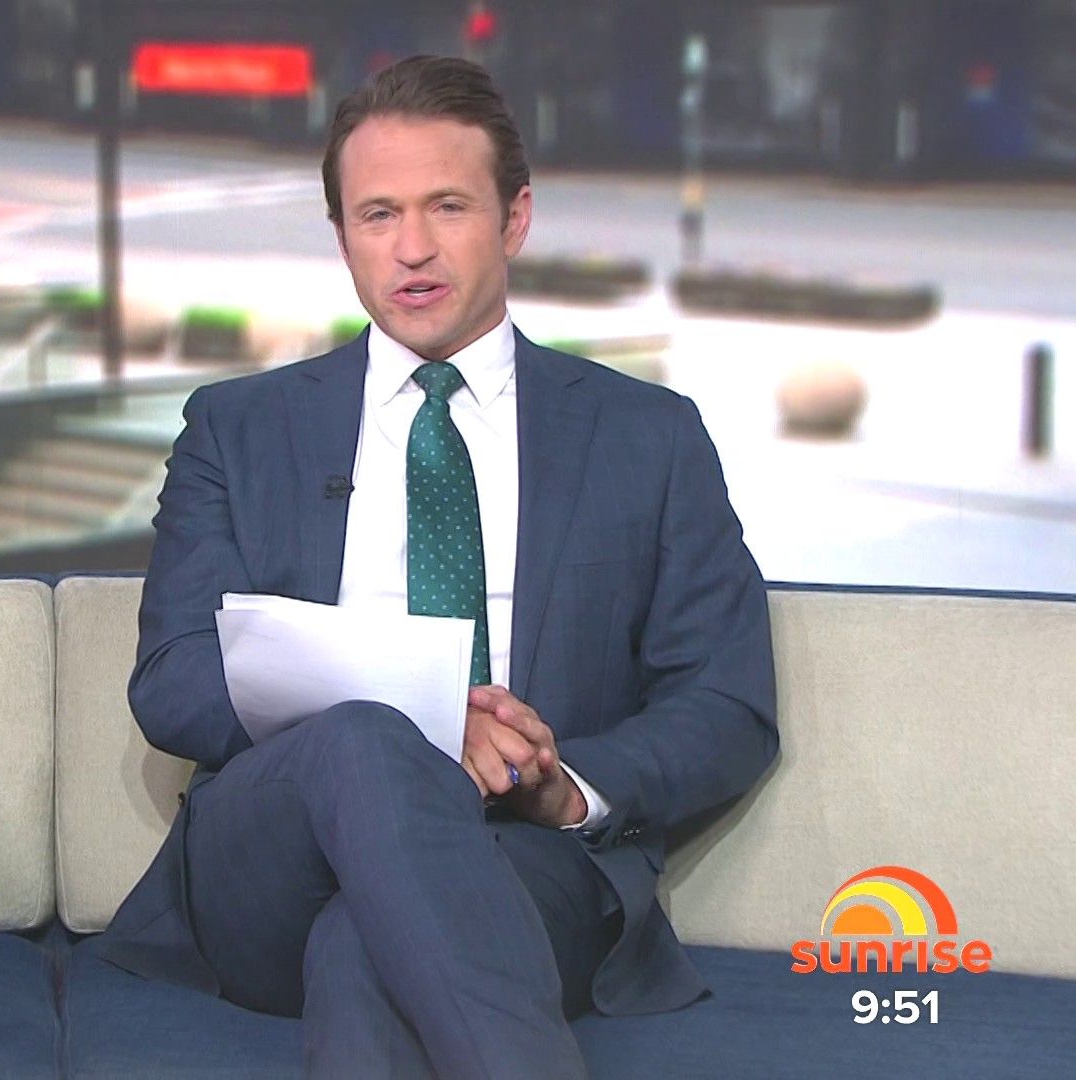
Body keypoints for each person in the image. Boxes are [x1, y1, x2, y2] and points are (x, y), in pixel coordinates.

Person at [95, 56, 778, 1079]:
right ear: (343, 237)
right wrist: (423, 721)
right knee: (366, 739)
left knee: (366, 948)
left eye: (447, 207)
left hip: (524, 851)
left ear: (515, 218)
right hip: (273, 854)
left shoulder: (647, 436)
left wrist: (565, 788)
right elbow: (175, 680)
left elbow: (727, 703)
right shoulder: (238, 429)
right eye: (378, 215)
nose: (411, 248)